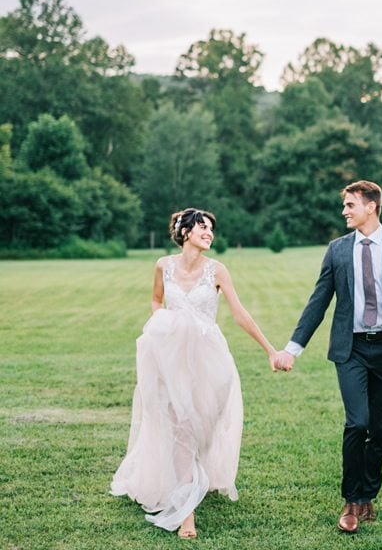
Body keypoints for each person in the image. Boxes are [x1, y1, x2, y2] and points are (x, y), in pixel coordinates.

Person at [273, 180, 382, 535]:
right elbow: (318, 301)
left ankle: (368, 494)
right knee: (357, 422)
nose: (344, 210)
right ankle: (351, 500)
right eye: (344, 205)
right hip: (351, 348)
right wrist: (292, 349)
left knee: (380, 429)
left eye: (350, 204)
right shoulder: (337, 250)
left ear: (371, 206)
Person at [111, 208, 276, 539]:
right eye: (203, 226)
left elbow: (240, 314)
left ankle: (194, 479)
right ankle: (187, 514)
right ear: (185, 232)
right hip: (170, 356)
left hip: (209, 356)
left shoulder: (217, 270)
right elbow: (156, 302)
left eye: (212, 228)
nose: (209, 232)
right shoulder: (163, 266)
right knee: (180, 428)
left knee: (201, 428)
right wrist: (164, 324)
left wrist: (270, 350)